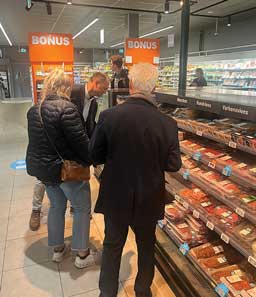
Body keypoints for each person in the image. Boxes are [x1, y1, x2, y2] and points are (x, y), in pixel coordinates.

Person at [90, 63, 182, 297]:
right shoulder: (168, 124)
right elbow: (173, 165)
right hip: (149, 196)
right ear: (154, 88)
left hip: (116, 194)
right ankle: (143, 291)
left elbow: (94, 155)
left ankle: (107, 292)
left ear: (130, 85)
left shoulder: (109, 116)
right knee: (146, 246)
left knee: (112, 246)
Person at [26, 69, 93, 269]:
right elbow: (82, 144)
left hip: (45, 171)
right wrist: (90, 160)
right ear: (65, 87)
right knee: (81, 208)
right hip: (67, 172)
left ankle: (57, 250)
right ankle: (82, 254)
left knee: (56, 207)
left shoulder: (34, 110)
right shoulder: (68, 109)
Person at [28, 72, 109, 231]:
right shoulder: (71, 93)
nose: (105, 92)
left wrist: (91, 146)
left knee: (74, 178)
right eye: (104, 88)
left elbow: (89, 125)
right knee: (44, 179)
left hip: (74, 144)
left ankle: (75, 207)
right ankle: (36, 209)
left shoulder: (93, 103)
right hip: (57, 146)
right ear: (94, 83)